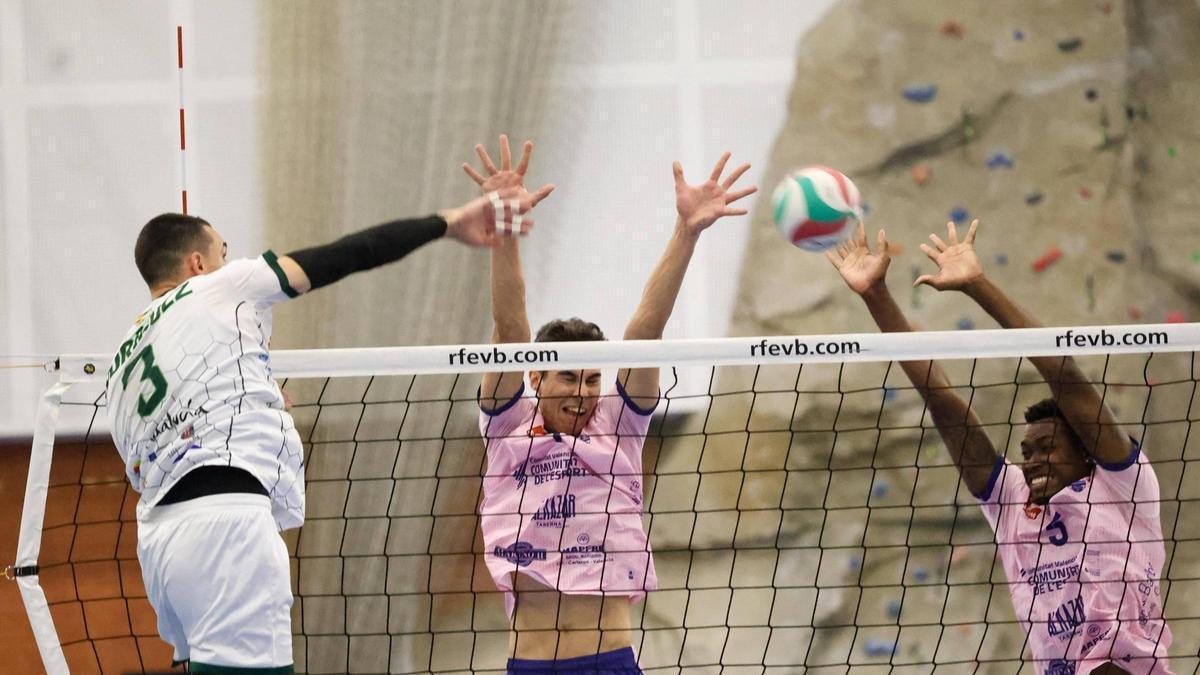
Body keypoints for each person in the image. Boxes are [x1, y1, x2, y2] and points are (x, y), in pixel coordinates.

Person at [105, 187, 549, 673]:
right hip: (226, 529)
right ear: (196, 263)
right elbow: (347, 255)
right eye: (223, 253)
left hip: (161, 543)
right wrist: (447, 221)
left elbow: (168, 434)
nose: (229, 261)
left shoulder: (122, 360)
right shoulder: (221, 286)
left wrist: (258, 392)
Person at [826, 220, 1173, 675]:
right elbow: (943, 402)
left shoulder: (1123, 486)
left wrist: (976, 285)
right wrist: (876, 297)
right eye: (1026, 453)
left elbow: (1065, 375)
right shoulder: (1013, 501)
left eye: (1046, 446)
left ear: (1087, 452)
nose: (1030, 463)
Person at [468, 135, 755, 673]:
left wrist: (686, 232)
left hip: (608, 662)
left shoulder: (618, 423)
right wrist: (505, 230)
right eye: (568, 378)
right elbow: (510, 328)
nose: (581, 392)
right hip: (528, 664)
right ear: (536, 376)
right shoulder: (507, 424)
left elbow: (646, 328)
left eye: (593, 379)